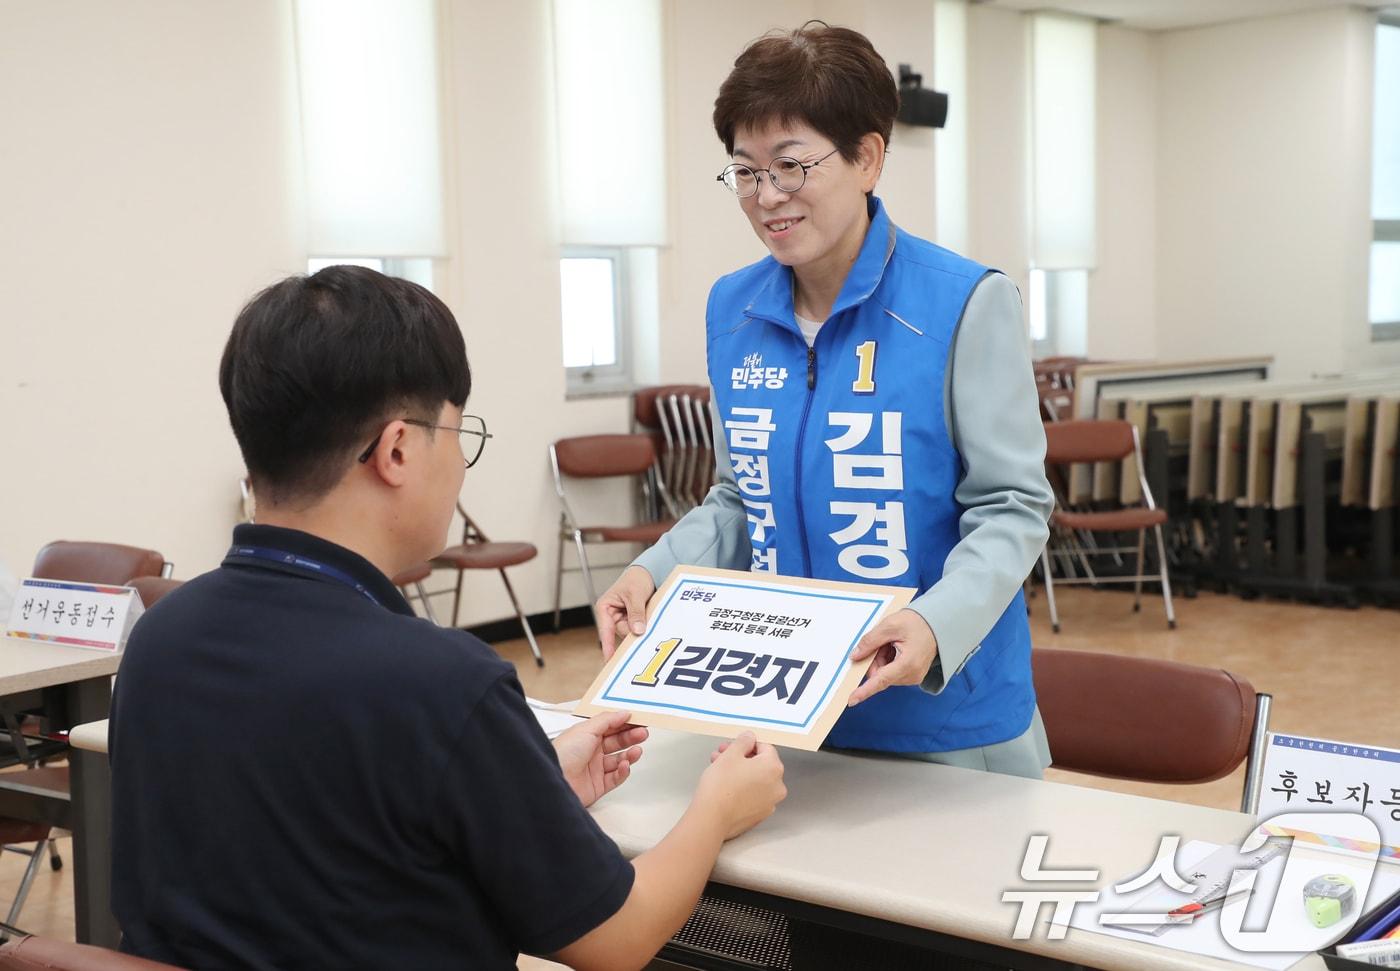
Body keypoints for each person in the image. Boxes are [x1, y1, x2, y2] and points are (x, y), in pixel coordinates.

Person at [109, 266, 786, 971]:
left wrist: (528, 781)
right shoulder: (440, 683)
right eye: (459, 434)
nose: (462, 463)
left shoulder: (160, 640)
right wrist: (718, 808)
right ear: (398, 449)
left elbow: (328, 833)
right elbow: (618, 936)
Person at [596, 24, 1054, 779]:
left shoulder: (964, 303)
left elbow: (1011, 505)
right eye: (745, 172)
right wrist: (652, 570)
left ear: (867, 158)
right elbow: (743, 498)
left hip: (946, 722)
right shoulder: (733, 310)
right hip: (787, 714)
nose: (766, 197)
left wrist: (933, 623)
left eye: (790, 167)